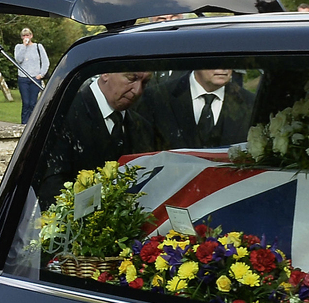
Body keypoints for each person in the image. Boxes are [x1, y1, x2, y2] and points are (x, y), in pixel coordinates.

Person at [35, 71, 154, 208]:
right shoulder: (61, 116)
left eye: (145, 82)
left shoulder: (143, 127)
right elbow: (50, 188)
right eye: (131, 78)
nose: (137, 90)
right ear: (106, 73)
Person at [139, 69, 254, 150]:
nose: (223, 67)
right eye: (214, 58)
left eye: (227, 58)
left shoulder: (251, 104)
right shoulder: (156, 98)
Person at [14, 28, 49, 124]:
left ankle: (33, 124)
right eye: (24, 36)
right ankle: (24, 124)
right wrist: (24, 46)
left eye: (27, 35)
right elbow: (18, 60)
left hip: (35, 78)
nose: (26, 37)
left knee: (33, 103)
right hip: (23, 78)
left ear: (31, 36)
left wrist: (41, 74)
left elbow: (45, 62)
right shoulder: (18, 47)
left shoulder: (38, 47)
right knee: (26, 103)